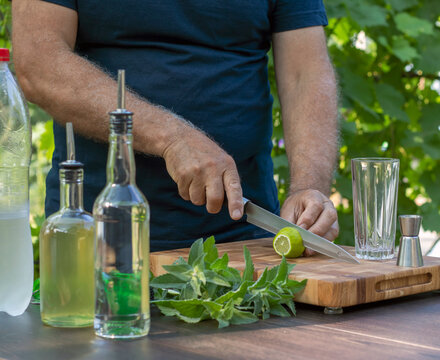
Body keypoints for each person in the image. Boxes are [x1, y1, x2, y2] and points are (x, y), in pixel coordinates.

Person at [12, 0, 339, 252]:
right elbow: (39, 63)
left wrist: (308, 188)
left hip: (245, 244)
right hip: (100, 237)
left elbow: (305, 74)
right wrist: (171, 137)